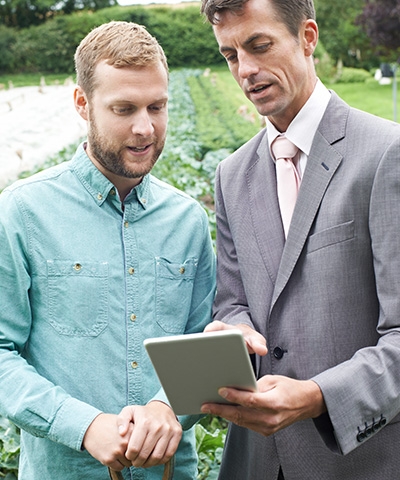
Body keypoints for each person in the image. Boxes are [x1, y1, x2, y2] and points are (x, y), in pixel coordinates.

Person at [0, 21, 216, 479]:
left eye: (157, 106)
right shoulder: (23, 212)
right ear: (83, 104)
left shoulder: (188, 221)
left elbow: (206, 342)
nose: (145, 128)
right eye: (124, 108)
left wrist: (167, 408)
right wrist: (85, 426)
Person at [199, 0, 400, 478]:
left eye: (259, 45)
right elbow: (233, 302)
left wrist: (317, 397)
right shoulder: (231, 175)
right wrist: (233, 329)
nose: (246, 70)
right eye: (230, 55)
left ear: (308, 37)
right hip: (257, 463)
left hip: (358, 462)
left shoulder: (386, 155)